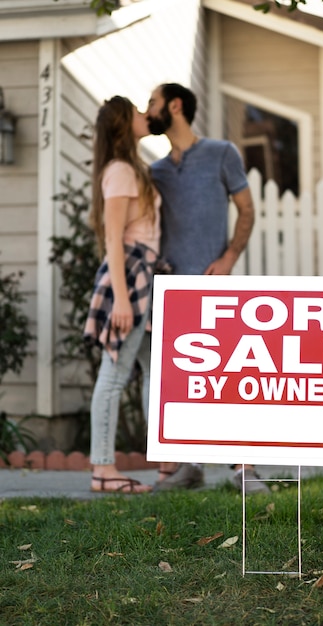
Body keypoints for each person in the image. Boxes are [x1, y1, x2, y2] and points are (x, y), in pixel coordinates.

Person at [137, 82, 269, 494]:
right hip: (170, 294)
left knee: (229, 377)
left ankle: (244, 467)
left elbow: (247, 211)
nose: (149, 110)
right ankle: (190, 465)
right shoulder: (154, 172)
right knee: (183, 381)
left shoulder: (222, 154)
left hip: (215, 290)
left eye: (153, 104)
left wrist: (229, 258)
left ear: (175, 106)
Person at [84, 95, 165, 494]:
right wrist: (120, 298)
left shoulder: (130, 169)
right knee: (114, 376)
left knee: (153, 369)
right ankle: (103, 470)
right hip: (129, 278)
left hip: (141, 275)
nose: (143, 115)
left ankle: (168, 458)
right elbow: (114, 237)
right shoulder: (119, 170)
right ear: (122, 123)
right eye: (135, 111)